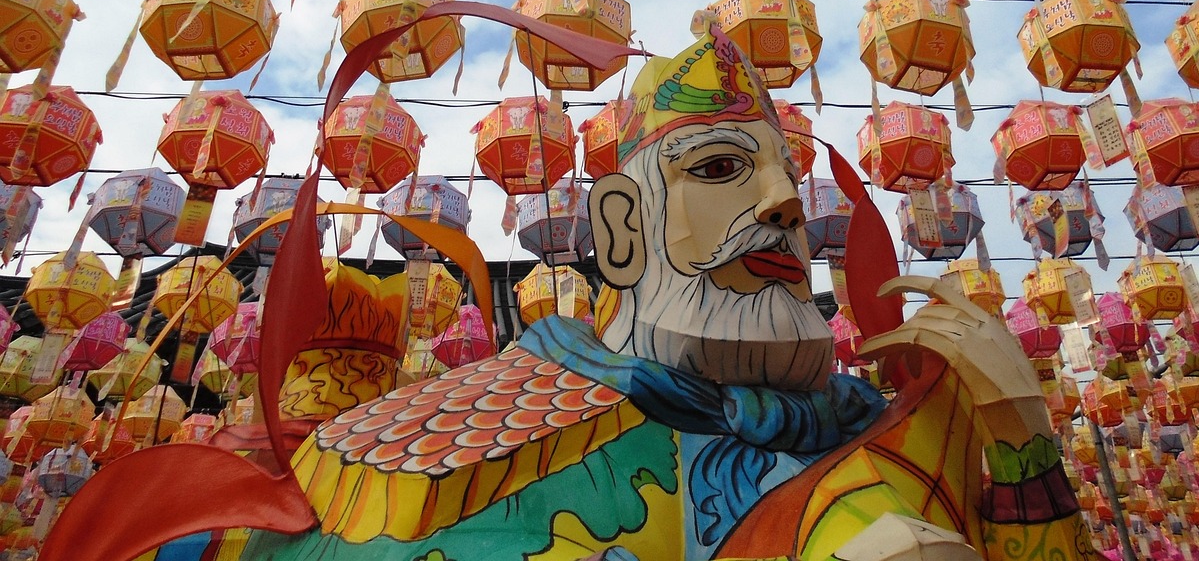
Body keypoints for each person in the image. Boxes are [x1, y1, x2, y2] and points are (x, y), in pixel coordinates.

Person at [129, 30, 1094, 560]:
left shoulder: (862, 428)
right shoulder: (501, 427)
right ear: (626, 230)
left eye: (786, 185)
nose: (782, 209)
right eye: (722, 169)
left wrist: (1013, 423)